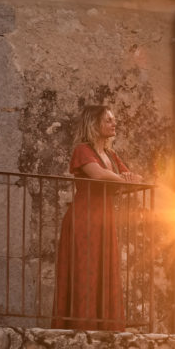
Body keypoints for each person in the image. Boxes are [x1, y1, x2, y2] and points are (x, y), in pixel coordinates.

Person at [52, 105, 143, 331]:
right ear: (95, 124)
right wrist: (122, 178)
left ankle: (104, 323)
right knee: (85, 267)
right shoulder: (83, 150)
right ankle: (83, 324)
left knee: (104, 267)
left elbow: (135, 178)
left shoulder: (111, 154)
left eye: (114, 119)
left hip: (104, 218)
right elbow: (98, 174)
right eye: (108, 120)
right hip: (85, 216)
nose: (114, 124)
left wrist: (124, 178)